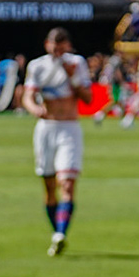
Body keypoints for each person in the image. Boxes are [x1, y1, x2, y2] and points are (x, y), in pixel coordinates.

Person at [22, 27, 91, 257]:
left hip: (69, 127)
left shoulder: (77, 63)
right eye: (54, 46)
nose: (57, 51)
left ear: (67, 47)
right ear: (47, 45)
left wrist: (72, 76)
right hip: (46, 128)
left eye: (61, 46)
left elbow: (88, 98)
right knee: (49, 186)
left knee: (67, 183)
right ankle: (56, 233)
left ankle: (61, 233)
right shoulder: (38, 66)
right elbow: (28, 95)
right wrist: (34, 108)